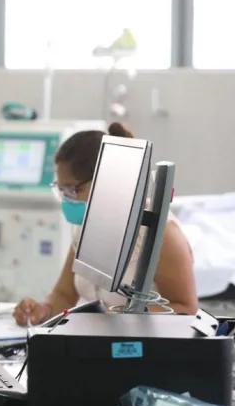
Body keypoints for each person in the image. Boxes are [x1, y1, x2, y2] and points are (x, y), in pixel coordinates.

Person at [13, 122, 198, 326]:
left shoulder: (160, 234)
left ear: (106, 180)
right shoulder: (86, 226)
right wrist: (42, 310)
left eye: (72, 190)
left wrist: (122, 315)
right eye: (61, 190)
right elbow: (64, 294)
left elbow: (185, 309)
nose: (66, 199)